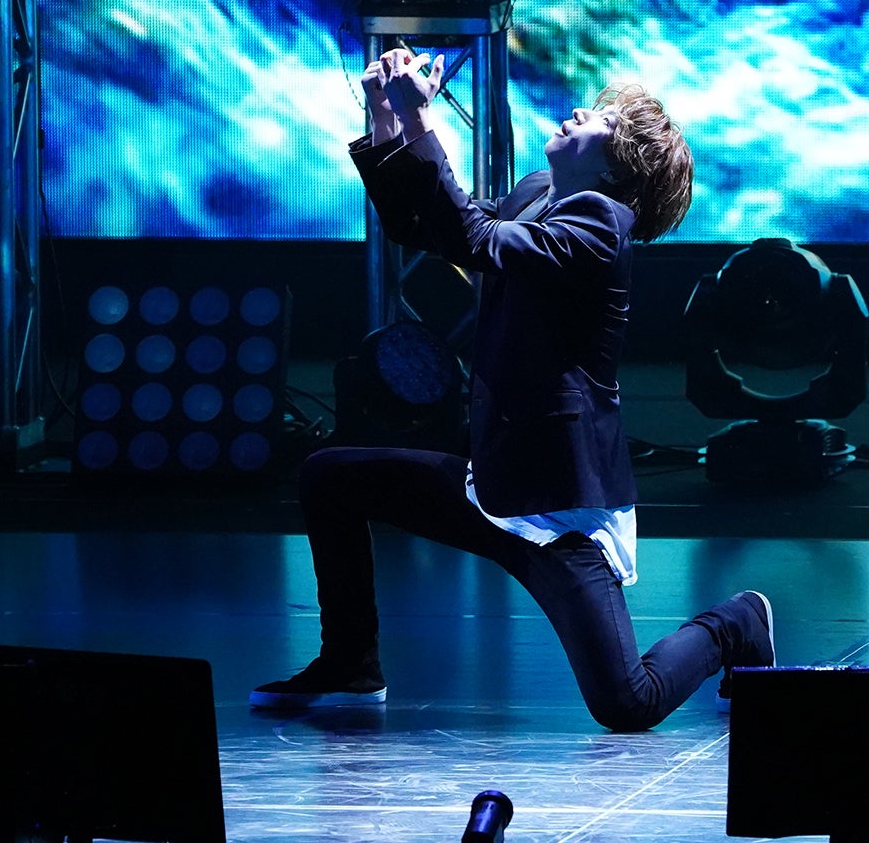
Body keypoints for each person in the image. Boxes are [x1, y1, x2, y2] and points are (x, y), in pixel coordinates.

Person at [250, 48, 774, 732]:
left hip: (556, 511)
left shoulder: (600, 227)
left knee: (627, 702)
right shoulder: (536, 192)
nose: (584, 110)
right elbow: (427, 224)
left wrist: (419, 117)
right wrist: (385, 117)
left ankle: (737, 622)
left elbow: (476, 239)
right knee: (330, 476)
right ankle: (351, 663)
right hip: (493, 482)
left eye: (606, 122)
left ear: (617, 171)